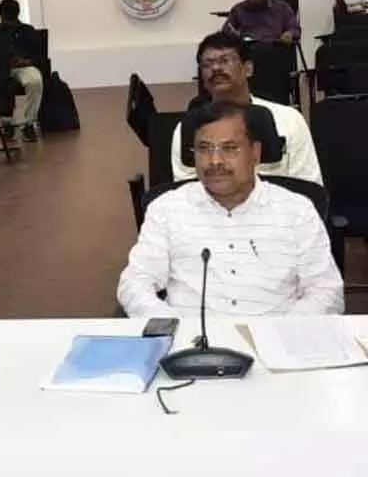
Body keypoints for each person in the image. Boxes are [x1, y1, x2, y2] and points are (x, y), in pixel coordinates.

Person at [118, 101, 342, 317]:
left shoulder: (297, 210)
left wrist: (282, 333)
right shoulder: (167, 209)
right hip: (192, 345)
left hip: (278, 342)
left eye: (229, 148)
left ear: (255, 153)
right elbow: (134, 283)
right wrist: (175, 329)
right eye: (204, 149)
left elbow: (326, 291)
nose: (215, 161)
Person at [170, 32, 321, 184]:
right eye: (207, 64)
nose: (215, 68)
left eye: (225, 60)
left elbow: (308, 187)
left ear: (248, 68)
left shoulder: (289, 119)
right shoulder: (188, 128)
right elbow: (185, 192)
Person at [0, 0, 45, 143]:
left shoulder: (28, 31)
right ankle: (6, 123)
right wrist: (2, 62)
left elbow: (40, 56)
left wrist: (25, 61)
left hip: (24, 67)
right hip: (0, 69)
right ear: (1, 16)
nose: (9, 22)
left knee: (35, 80)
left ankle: (29, 123)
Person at [222, 0, 300, 45]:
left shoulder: (282, 8)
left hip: (275, 47)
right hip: (247, 47)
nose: (252, 0)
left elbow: (295, 28)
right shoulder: (239, 9)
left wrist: (289, 33)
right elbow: (227, 29)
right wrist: (232, 35)